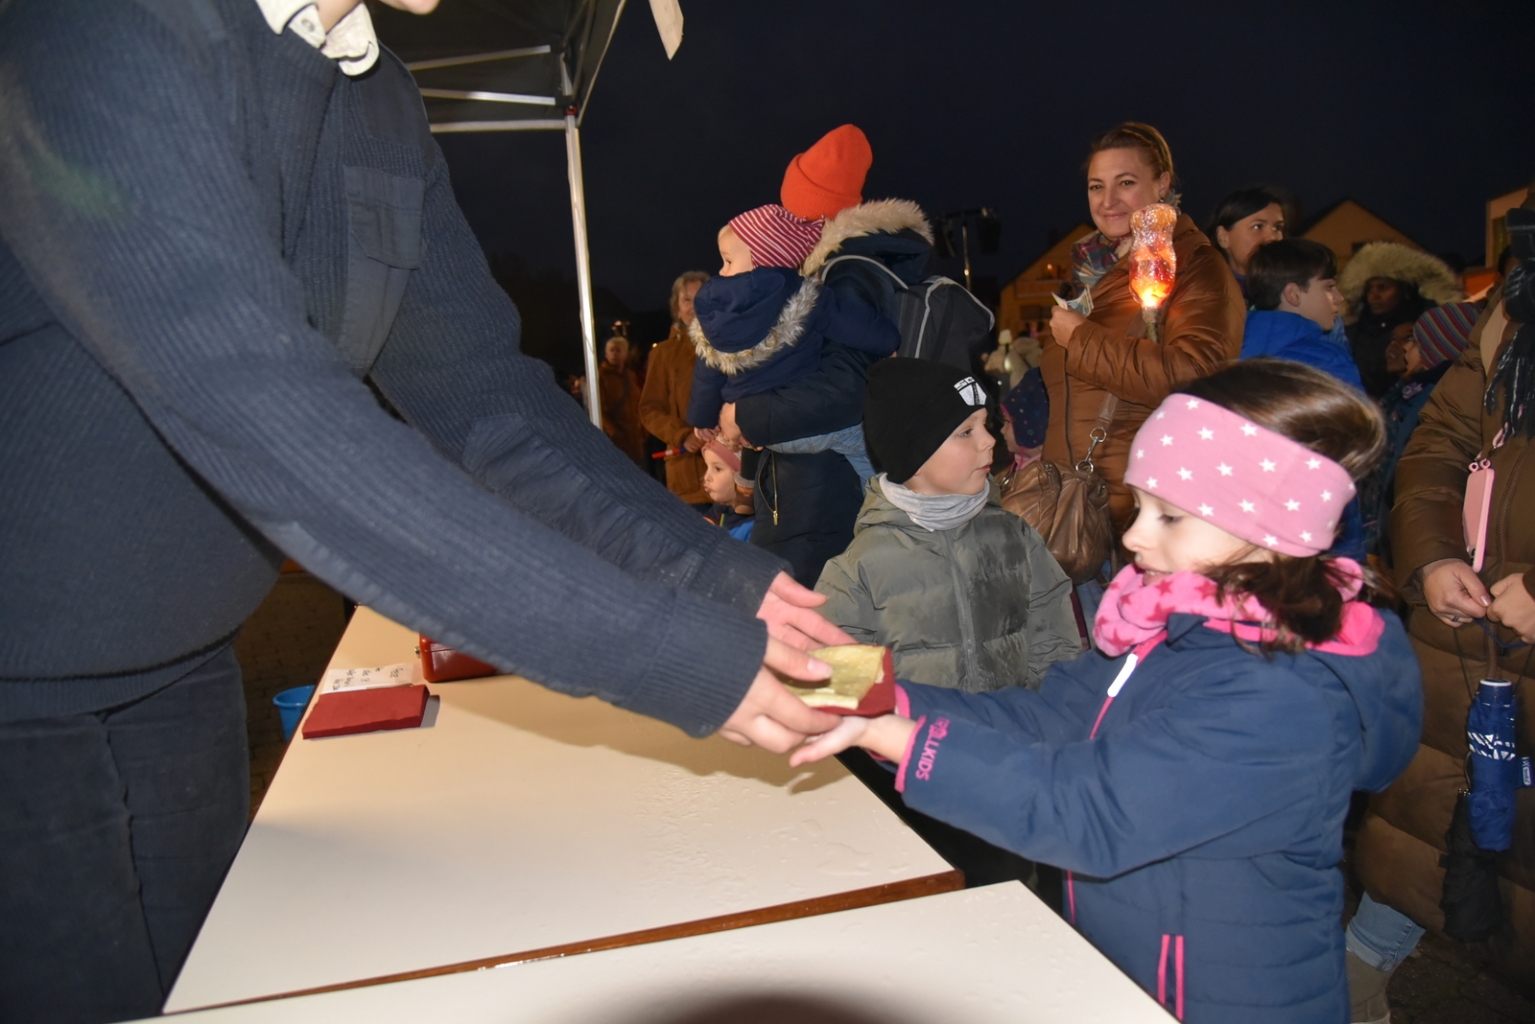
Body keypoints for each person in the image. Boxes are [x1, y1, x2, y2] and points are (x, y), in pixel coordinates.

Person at [0, 2, 848, 1020]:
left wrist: (725, 579)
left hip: (181, 660)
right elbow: (268, 415)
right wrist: (668, 650)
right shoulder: (100, 25)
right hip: (18, 685)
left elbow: (487, 406)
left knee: (209, 989)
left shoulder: (377, 100)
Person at [791, 360, 1421, 1024]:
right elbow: (1045, 715)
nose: (1132, 536)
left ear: (1267, 529)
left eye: (1169, 517)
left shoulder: (1280, 690)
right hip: (1134, 980)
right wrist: (853, 687)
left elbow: (1089, 813)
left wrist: (896, 737)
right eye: (1140, 505)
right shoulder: (1178, 629)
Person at [1351, 238, 1535, 1013]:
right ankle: (1349, 992)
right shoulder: (1513, 310)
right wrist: (1427, 560)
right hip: (1464, 637)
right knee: (1416, 839)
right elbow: (1437, 445)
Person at [726, 125, 935, 588]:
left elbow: (845, 390)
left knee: (824, 642)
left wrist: (747, 415)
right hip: (814, 497)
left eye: (791, 208)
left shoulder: (847, 276)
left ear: (812, 215)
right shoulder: (835, 272)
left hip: (825, 501)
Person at [815, 359, 1080, 693]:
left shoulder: (1014, 537)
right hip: (916, 742)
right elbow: (839, 687)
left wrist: (1050, 714)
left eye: (986, 425)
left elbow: (1054, 641)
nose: (989, 441)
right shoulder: (859, 568)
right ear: (915, 455)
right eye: (966, 432)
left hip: (1013, 736)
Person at [1043, 122, 1246, 532]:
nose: (1108, 200)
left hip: (1143, 511)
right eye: (1096, 187)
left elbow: (1197, 376)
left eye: (1126, 182)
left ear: (1162, 184)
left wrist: (1080, 339)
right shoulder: (1090, 273)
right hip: (1074, 506)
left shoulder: (1194, 266)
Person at [688, 205, 899, 487]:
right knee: (868, 458)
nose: (721, 270)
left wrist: (701, 418)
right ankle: (890, 504)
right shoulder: (806, 295)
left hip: (762, 436)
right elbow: (856, 326)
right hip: (810, 423)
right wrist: (889, 343)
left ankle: (747, 485)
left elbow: (707, 373)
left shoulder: (714, 312)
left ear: (761, 261)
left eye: (727, 261)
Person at [1339, 241, 1462, 399]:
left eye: (1383, 287)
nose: (1374, 295)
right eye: (1370, 288)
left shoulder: (1427, 327)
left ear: (1404, 289)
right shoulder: (1352, 331)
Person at [1240, 239, 1362, 388]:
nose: (1339, 298)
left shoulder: (1230, 354)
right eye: (1329, 287)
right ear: (1294, 294)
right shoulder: (1330, 363)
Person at [640, 271, 713, 509]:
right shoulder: (663, 353)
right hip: (688, 479)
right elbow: (649, 410)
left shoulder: (731, 346)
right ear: (677, 307)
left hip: (734, 475)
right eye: (687, 300)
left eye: (700, 297)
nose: (694, 306)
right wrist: (683, 435)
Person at [1205, 186, 1288, 298]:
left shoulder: (1296, 287)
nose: (1272, 237)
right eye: (1258, 226)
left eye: (1277, 228)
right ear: (1223, 237)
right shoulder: (1207, 295)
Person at [597, 335, 647, 467]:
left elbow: (639, 403)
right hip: (616, 441)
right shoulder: (601, 377)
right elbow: (599, 410)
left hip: (634, 440)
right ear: (606, 353)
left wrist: (643, 430)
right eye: (611, 350)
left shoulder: (630, 376)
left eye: (618, 350)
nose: (614, 354)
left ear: (626, 353)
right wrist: (613, 433)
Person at [701, 440, 756, 542]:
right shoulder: (718, 511)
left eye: (718, 469)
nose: (706, 477)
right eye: (707, 467)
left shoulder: (753, 529)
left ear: (742, 478)